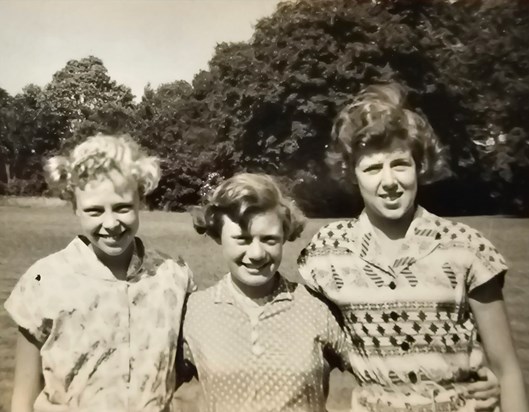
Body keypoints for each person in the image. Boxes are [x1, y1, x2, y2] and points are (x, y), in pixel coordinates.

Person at [298, 84, 528, 412]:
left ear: (419, 166)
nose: (389, 181)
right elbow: (309, 347)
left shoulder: (466, 248)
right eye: (373, 168)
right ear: (352, 174)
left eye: (400, 164)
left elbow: (507, 371)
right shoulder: (326, 254)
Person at [4, 134, 194, 412]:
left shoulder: (173, 277)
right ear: (75, 207)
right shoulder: (43, 280)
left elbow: (188, 380)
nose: (111, 223)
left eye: (122, 208)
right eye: (94, 210)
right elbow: (23, 396)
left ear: (140, 200)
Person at [179, 173, 351, 412]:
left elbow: (377, 375)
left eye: (269, 239)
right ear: (219, 235)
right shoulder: (195, 312)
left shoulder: (317, 308)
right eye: (242, 239)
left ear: (284, 236)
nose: (257, 253)